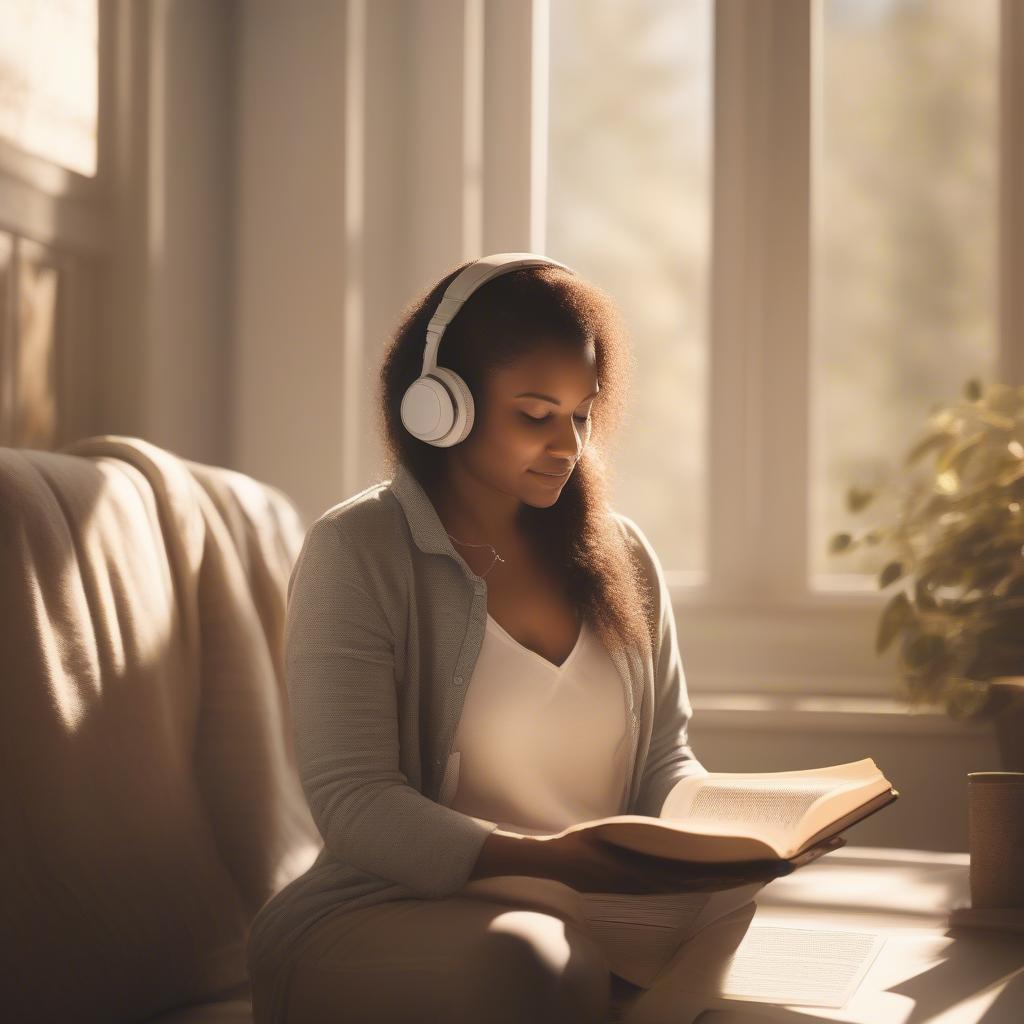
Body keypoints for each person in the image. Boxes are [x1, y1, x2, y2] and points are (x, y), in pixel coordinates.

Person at [246, 255, 785, 1024]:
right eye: (535, 414)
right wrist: (550, 862)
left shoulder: (621, 553)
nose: (568, 444)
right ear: (442, 408)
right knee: (531, 960)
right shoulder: (355, 551)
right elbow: (355, 804)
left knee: (767, 943)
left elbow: (666, 755)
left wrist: (739, 831)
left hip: (592, 908)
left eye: (582, 413)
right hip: (393, 911)